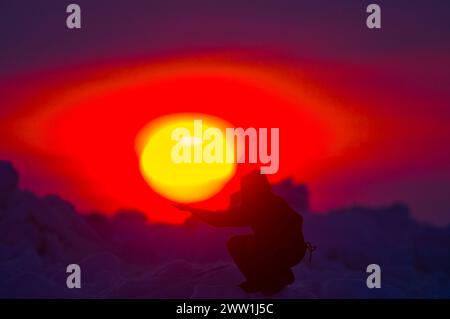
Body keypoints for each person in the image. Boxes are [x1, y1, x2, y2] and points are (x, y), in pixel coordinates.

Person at [174, 170, 310, 294]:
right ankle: (277, 275)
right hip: (293, 251)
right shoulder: (273, 201)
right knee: (253, 243)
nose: (243, 191)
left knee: (236, 244)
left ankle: (264, 281)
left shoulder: (258, 206)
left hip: (280, 251)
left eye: (245, 187)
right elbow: (297, 219)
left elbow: (220, 220)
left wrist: (193, 210)